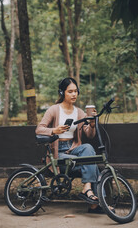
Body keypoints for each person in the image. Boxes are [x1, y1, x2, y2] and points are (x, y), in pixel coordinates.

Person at [35, 77, 103, 213]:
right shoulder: (54, 110)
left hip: (72, 149)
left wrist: (93, 124)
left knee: (88, 149)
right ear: (62, 93)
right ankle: (97, 204)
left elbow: (89, 134)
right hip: (57, 153)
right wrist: (54, 130)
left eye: (76, 91)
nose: (74, 94)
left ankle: (87, 188)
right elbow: (39, 129)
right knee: (93, 165)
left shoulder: (79, 112)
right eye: (70, 91)